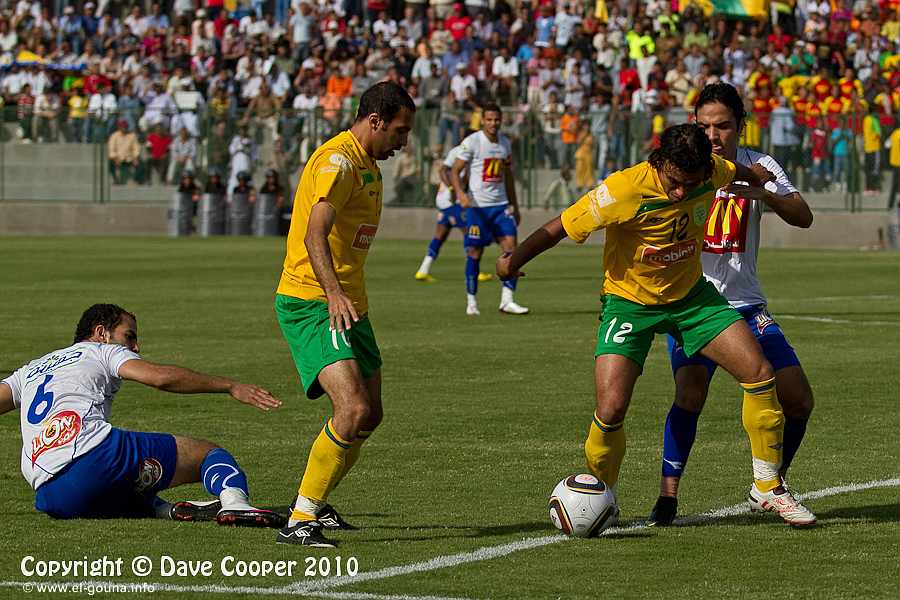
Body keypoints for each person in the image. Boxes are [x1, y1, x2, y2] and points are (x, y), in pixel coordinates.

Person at [496, 123, 817, 528]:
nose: (682, 192)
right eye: (675, 183)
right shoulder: (623, 189)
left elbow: (732, 171)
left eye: (692, 183)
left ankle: (767, 487)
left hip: (691, 298)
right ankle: (601, 495)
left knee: (759, 373)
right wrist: (513, 261)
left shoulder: (712, 169)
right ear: (660, 161)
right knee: (611, 408)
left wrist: (755, 176)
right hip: (629, 304)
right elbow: (559, 226)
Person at [647, 83, 815, 527]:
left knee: (798, 400)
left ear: (741, 125)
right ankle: (667, 497)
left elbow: (803, 215)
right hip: (694, 306)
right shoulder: (685, 170)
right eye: (704, 125)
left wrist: (764, 194)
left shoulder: (760, 165)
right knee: (690, 393)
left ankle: (769, 483)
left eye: (722, 125)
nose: (713, 134)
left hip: (747, 305)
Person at [274, 82, 415, 548]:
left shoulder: (368, 163)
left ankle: (319, 502)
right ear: (375, 120)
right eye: (399, 130)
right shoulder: (337, 161)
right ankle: (301, 518)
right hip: (313, 301)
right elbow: (316, 235)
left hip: (351, 303)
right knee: (351, 409)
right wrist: (333, 293)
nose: (404, 141)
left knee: (370, 414)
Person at [0, 304, 283, 526]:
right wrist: (230, 386)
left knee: (120, 483)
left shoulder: (32, 369)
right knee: (209, 453)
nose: (135, 347)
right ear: (102, 333)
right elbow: (159, 378)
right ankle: (236, 503)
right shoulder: (101, 351)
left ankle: (164, 510)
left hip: (50, 495)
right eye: (129, 336)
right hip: (93, 459)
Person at [450, 103, 528, 316]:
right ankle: (472, 301)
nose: (493, 123)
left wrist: (516, 205)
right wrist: (460, 194)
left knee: (512, 249)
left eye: (497, 120)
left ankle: (507, 300)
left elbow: (509, 177)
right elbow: (455, 171)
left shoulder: (505, 144)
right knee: (474, 252)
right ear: (482, 120)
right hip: (478, 208)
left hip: (501, 206)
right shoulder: (472, 142)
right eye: (489, 119)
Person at [414, 143, 492, 283]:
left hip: (445, 201)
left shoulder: (457, 151)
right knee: (470, 231)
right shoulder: (465, 152)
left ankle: (422, 270)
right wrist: (453, 189)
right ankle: (475, 270)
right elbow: (445, 171)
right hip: (452, 202)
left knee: (440, 235)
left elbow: (446, 171)